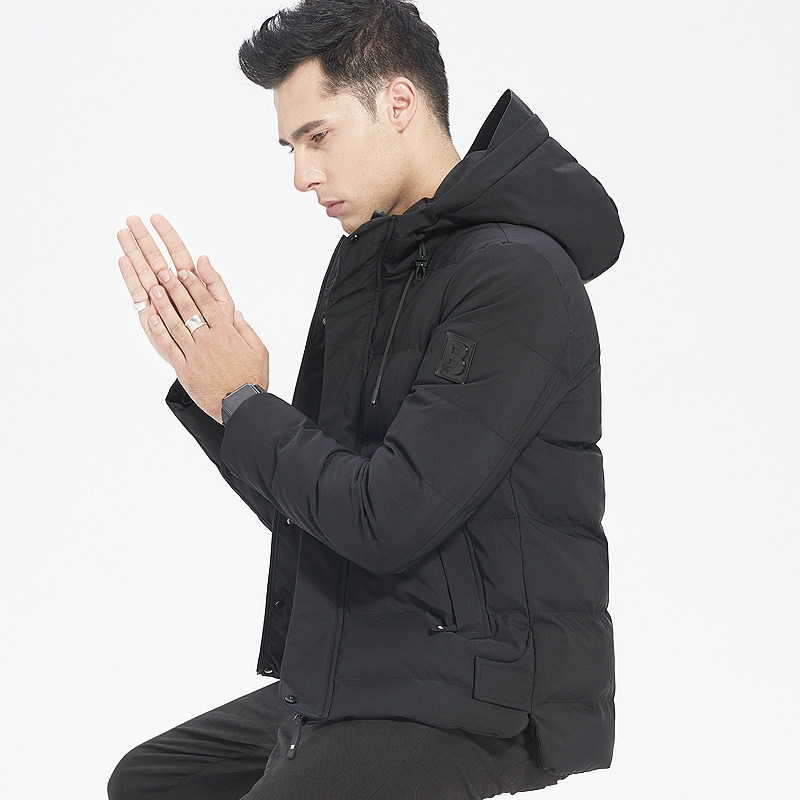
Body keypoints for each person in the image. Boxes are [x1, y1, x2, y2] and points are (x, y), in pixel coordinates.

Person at [109, 0, 624, 797]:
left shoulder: (514, 276)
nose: (301, 175)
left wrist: (246, 404)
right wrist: (224, 398)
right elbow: (319, 512)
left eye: (317, 136)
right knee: (151, 783)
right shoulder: (373, 267)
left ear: (399, 102)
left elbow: (384, 517)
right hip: (380, 661)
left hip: (483, 690)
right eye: (291, 147)